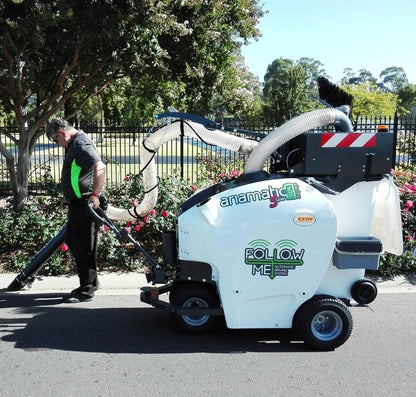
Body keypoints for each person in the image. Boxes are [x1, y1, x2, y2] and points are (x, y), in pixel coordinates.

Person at [46, 118, 106, 302]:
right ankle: (92, 282)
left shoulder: (80, 144)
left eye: (56, 140)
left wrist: (95, 195)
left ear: (62, 133)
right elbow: (77, 173)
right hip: (77, 203)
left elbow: (100, 166)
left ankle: (87, 290)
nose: (57, 143)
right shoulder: (73, 145)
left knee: (84, 247)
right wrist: (70, 197)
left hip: (86, 204)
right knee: (74, 241)